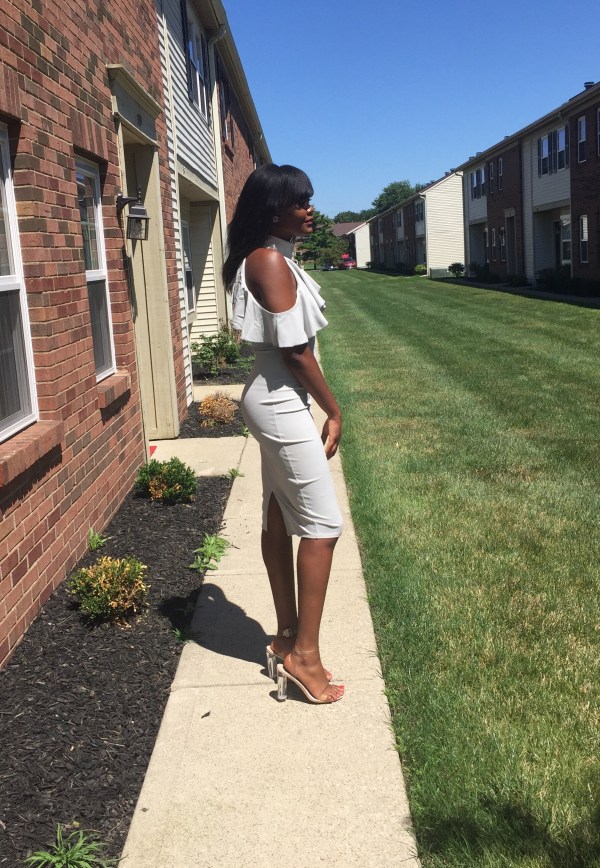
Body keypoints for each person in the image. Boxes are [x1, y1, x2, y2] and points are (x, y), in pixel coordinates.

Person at [223, 164, 344, 704]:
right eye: (301, 201)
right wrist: (333, 410)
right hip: (279, 401)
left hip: (273, 398)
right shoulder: (269, 260)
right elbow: (295, 351)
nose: (310, 209)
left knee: (278, 514)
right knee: (322, 526)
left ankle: (286, 636)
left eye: (309, 199)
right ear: (273, 210)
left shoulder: (270, 255)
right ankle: (305, 657)